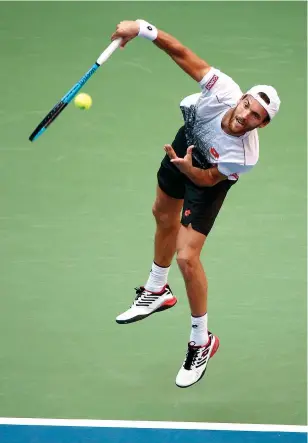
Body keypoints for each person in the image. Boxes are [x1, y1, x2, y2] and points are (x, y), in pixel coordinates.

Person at [111, 19, 281, 388]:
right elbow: (181, 53)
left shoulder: (243, 156)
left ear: (262, 125)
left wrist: (191, 171)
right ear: (242, 97)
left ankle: (201, 341)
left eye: (257, 118)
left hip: (206, 174)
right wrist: (141, 29)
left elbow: (206, 180)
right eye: (248, 106)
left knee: (188, 258)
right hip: (185, 142)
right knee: (161, 213)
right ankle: (157, 289)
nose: (246, 116)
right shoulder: (222, 89)